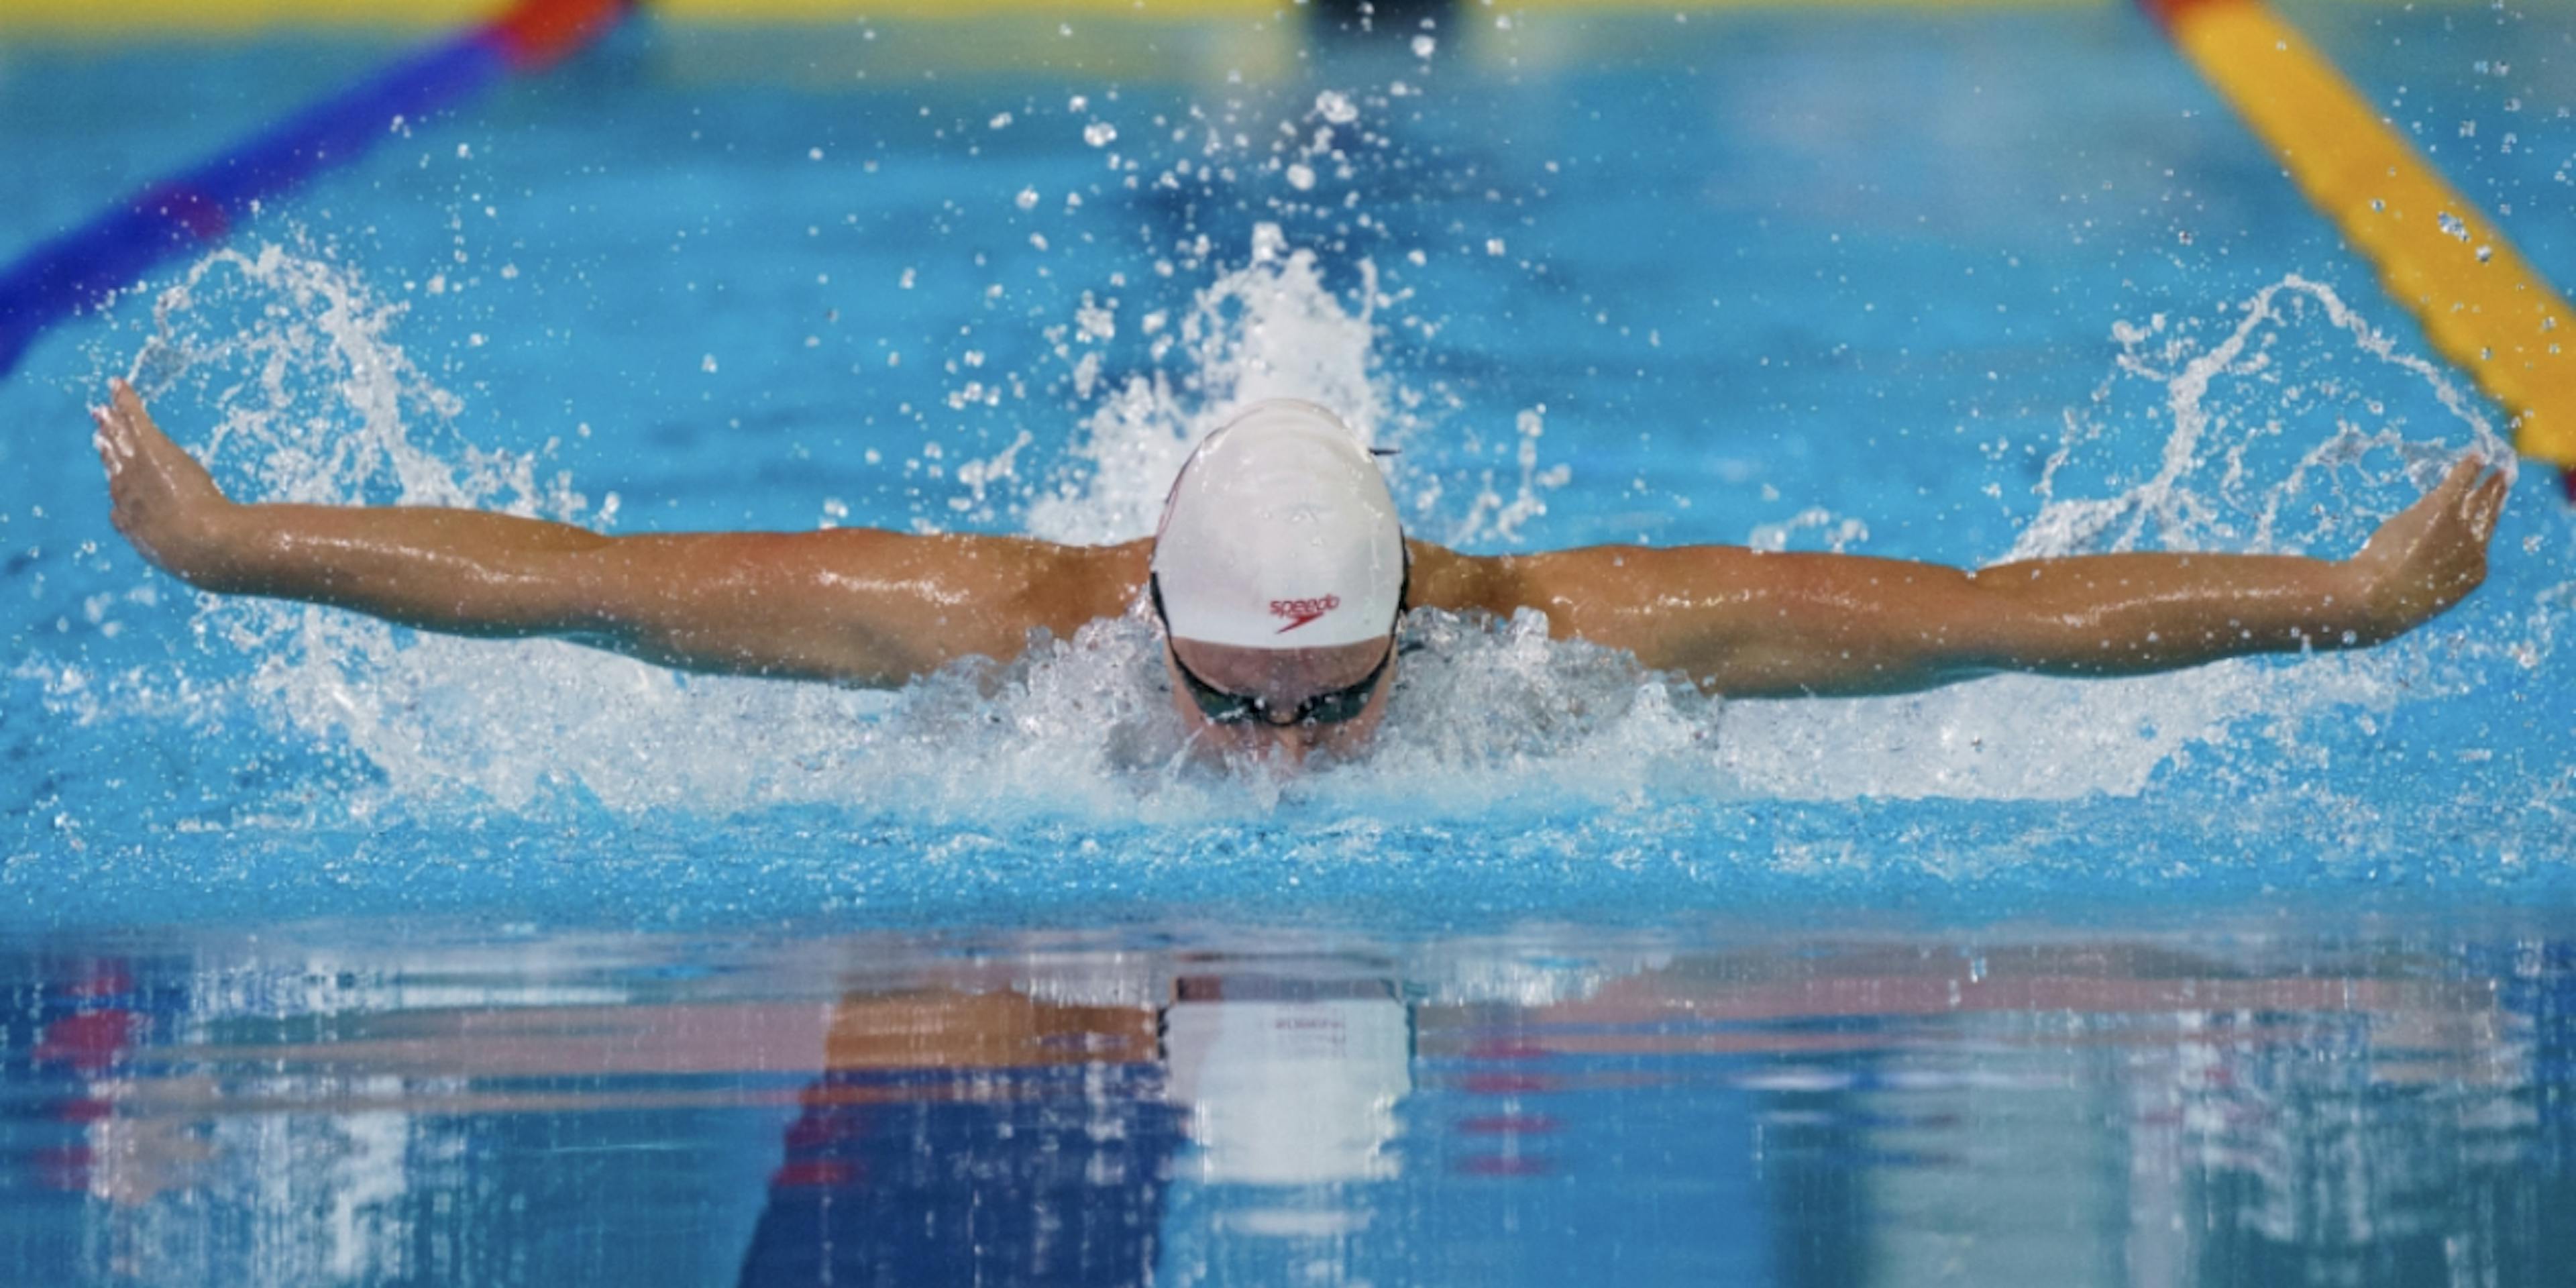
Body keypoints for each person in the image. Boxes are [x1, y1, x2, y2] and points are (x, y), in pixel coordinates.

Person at [93, 380, 2509, 765]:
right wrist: (228, 549)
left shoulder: (1568, 638)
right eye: (1237, 702)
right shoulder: (998, 626)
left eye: (1325, 708)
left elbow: (1994, 619)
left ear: (1407, 642)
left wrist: (2355, 597)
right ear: (1144, 621)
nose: (1272, 759)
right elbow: (570, 580)